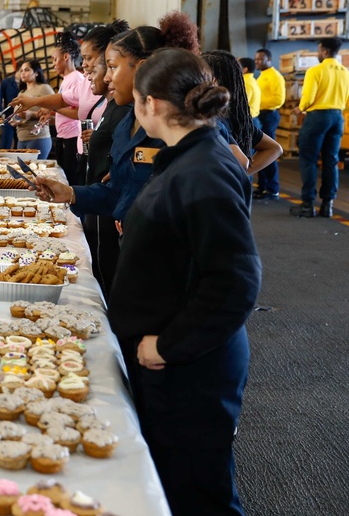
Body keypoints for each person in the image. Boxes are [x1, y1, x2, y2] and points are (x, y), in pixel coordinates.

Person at [110, 47, 261, 516]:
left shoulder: (205, 170)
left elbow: (236, 280)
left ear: (150, 104)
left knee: (201, 494)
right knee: (173, 484)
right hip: (173, 360)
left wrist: (169, 345)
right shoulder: (188, 155)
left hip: (190, 366)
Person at [32, 13, 201, 234]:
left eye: (112, 67)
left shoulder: (186, 138)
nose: (106, 77)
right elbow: (117, 192)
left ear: (141, 68)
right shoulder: (127, 125)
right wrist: (71, 193)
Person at [78, 20, 130, 299]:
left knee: (107, 279)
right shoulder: (115, 108)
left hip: (109, 213)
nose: (106, 77)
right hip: (101, 204)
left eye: (111, 67)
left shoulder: (125, 111)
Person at [12, 31, 94, 185]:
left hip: (72, 138)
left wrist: (52, 108)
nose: (53, 64)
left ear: (66, 57)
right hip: (63, 137)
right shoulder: (66, 80)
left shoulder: (76, 78)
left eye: (55, 59)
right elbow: (65, 109)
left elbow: (79, 113)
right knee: (64, 178)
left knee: (71, 181)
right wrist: (50, 114)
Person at [291, 36, 349, 218]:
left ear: (325, 51)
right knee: (331, 161)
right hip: (337, 117)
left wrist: (300, 108)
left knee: (308, 160)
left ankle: (307, 204)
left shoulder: (315, 71)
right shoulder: (346, 73)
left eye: (319, 51)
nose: (318, 54)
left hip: (317, 117)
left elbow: (309, 98)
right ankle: (328, 205)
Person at [202, 50, 283, 183]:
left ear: (213, 80)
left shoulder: (215, 120)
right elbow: (274, 149)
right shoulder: (236, 119)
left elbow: (243, 161)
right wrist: (242, 175)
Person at [254, 48, 285, 199]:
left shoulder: (275, 76)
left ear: (269, 59)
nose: (257, 61)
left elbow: (279, 100)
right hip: (262, 115)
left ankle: (273, 188)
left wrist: (258, 103)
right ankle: (263, 186)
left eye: (260, 59)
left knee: (269, 150)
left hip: (269, 115)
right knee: (260, 150)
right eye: (256, 59)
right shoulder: (262, 76)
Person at [11, 60, 54, 157]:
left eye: (26, 70)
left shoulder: (43, 88)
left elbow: (54, 112)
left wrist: (31, 114)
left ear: (36, 73)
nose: (22, 73)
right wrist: (16, 120)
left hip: (38, 138)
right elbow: (18, 114)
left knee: (35, 170)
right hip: (21, 139)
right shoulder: (22, 92)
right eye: (21, 70)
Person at [0, 60, 23, 149]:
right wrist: (1, 113)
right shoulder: (6, 82)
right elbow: (0, 98)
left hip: (21, 116)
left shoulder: (25, 84)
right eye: (22, 70)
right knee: (6, 141)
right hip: (8, 116)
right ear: (17, 70)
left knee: (19, 142)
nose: (23, 73)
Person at [239, 56, 262, 131]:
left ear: (245, 69)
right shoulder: (252, 81)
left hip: (249, 121)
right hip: (253, 119)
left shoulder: (245, 83)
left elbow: (241, 103)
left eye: (238, 66)